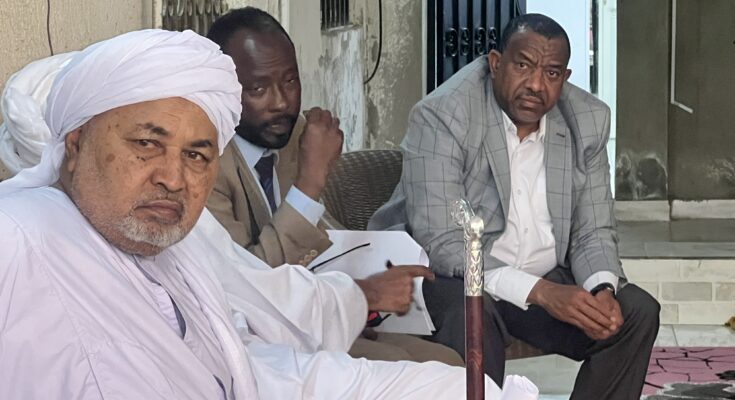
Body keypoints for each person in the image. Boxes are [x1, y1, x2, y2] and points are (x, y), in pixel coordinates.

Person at [0, 29, 511, 399]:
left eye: (196, 154)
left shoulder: (170, 249)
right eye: (146, 144)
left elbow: (246, 365)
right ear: (75, 144)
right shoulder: (17, 236)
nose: (173, 177)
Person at [369, 13, 660, 399]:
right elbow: (443, 241)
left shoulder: (587, 120)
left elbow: (592, 229)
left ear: (565, 77)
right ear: (495, 63)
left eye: (551, 73)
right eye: (523, 66)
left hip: (542, 279)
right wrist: (542, 292)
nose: (536, 85)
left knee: (635, 312)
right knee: (472, 316)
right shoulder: (444, 114)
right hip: (455, 278)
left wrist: (601, 289)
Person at [205, 6, 463, 365]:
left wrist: (372, 280)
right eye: (258, 88)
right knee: (427, 373)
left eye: (290, 81)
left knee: (451, 363)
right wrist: (310, 183)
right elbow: (251, 287)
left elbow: (324, 241)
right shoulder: (205, 163)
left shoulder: (297, 133)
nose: (281, 102)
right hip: (263, 342)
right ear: (222, 90)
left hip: (322, 312)